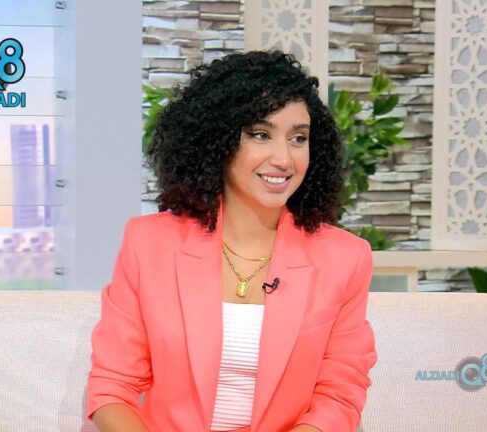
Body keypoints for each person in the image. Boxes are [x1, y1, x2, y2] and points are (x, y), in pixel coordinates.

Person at [86, 50, 377, 432]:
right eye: (261, 135)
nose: (284, 159)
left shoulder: (345, 258)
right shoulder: (148, 243)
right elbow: (112, 388)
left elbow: (339, 394)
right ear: (218, 141)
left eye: (298, 138)